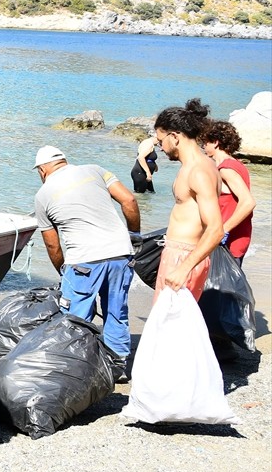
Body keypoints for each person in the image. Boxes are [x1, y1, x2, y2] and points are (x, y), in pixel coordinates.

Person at [32, 146, 140, 379]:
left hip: (83, 260)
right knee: (116, 311)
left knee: (75, 318)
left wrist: (63, 271)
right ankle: (118, 367)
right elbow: (129, 201)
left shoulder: (42, 196)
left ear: (42, 170)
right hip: (121, 253)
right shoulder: (95, 170)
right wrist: (135, 236)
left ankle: (76, 371)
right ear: (64, 161)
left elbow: (52, 245)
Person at [152, 99, 223, 302]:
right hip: (179, 255)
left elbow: (216, 229)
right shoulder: (198, 166)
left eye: (160, 141)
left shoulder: (198, 171)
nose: (160, 147)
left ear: (174, 137)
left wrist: (184, 267)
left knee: (169, 328)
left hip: (183, 257)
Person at [201, 119, 255, 265]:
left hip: (230, 242)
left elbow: (248, 202)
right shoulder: (236, 164)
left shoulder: (226, 169)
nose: (203, 146)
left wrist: (223, 230)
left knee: (221, 286)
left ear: (216, 142)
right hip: (236, 238)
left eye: (205, 142)